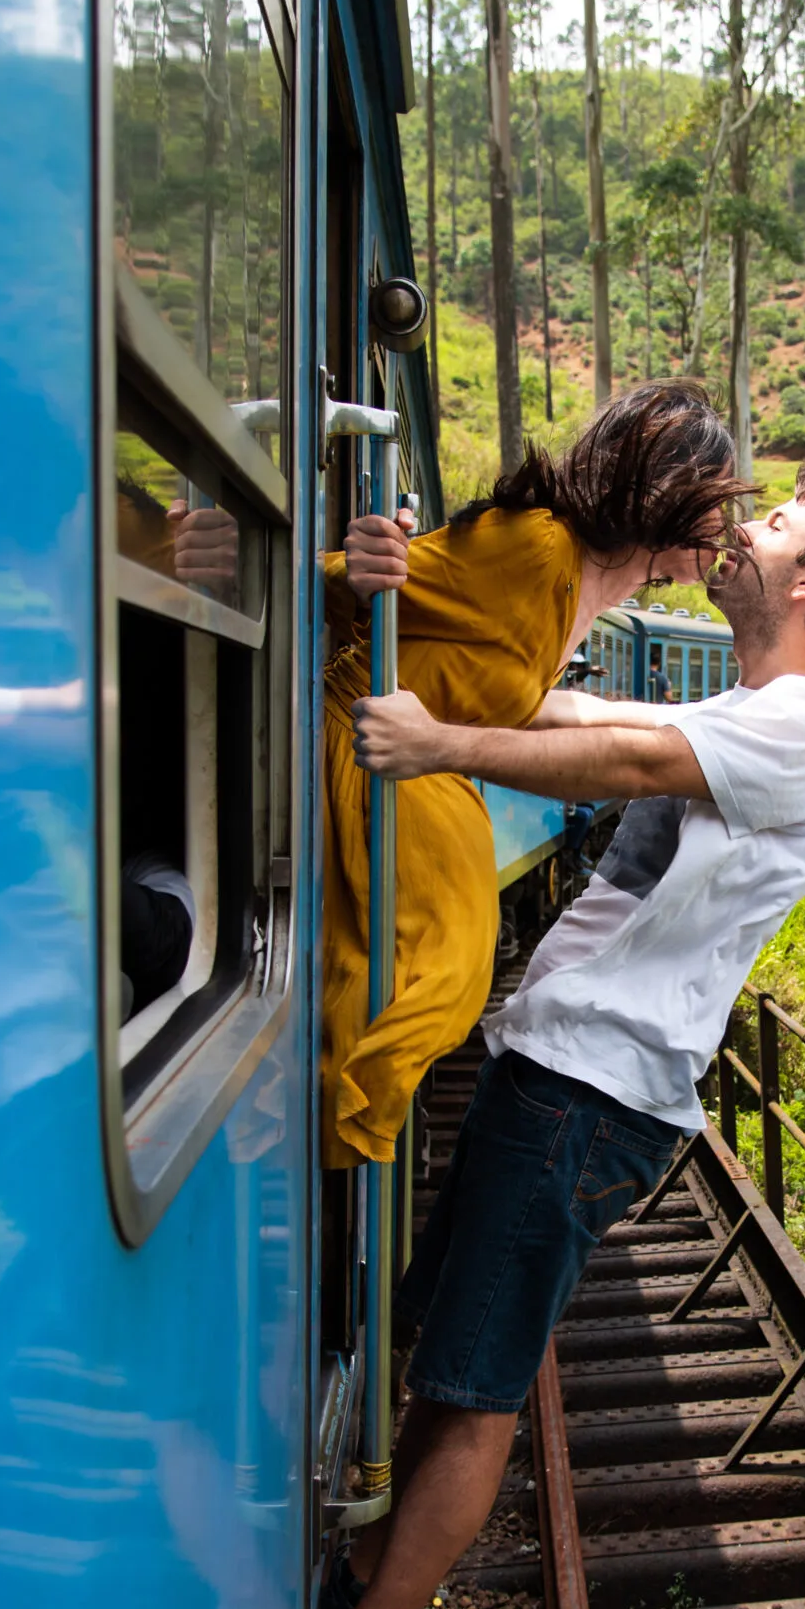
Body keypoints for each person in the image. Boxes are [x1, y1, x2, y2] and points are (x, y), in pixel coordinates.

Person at [304, 460, 805, 1609]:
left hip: (593, 1091)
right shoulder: (765, 705)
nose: (740, 532)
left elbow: (627, 753)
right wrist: (401, 595)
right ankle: (365, 1595)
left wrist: (436, 743)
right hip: (562, 1071)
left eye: (773, 524)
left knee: (476, 1386)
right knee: (455, 1366)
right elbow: (562, 702)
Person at [320, 384, 745, 1174]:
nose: (725, 526)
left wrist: (678, 724)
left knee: (439, 966)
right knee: (438, 967)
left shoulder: (581, 578)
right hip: (376, 742)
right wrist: (359, 566)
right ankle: (333, 1134)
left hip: (426, 763)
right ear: (666, 492)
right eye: (715, 499)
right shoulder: (538, 548)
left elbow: (522, 697)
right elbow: (351, 584)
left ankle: (344, 1144)